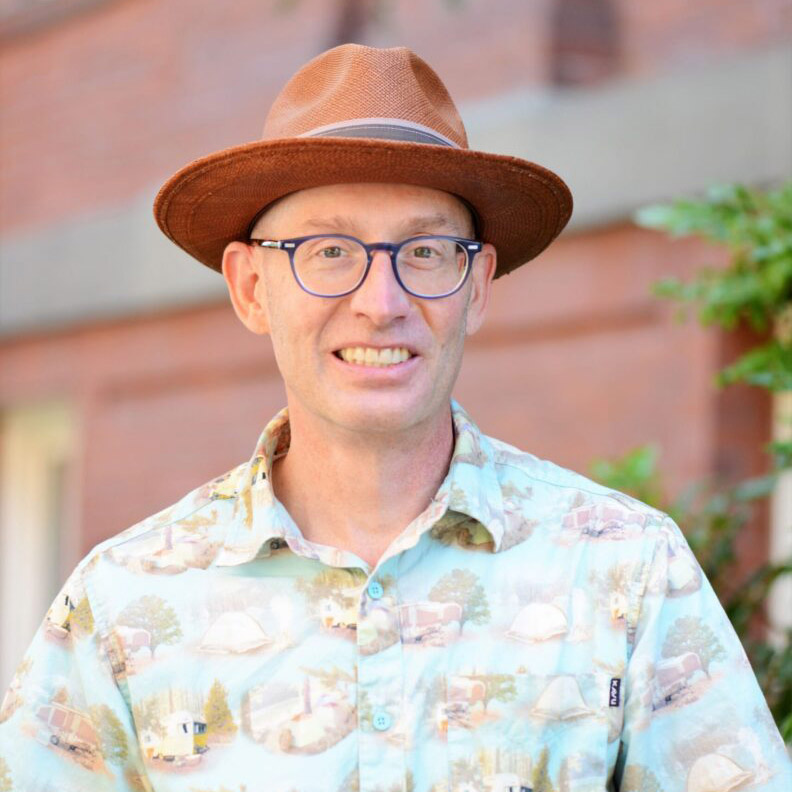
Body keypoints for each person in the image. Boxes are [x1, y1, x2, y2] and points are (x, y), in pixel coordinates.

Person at [0, 44, 788, 792]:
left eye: (425, 253)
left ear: (478, 286)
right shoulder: (124, 602)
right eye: (329, 251)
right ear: (249, 287)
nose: (382, 305)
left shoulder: (629, 574)